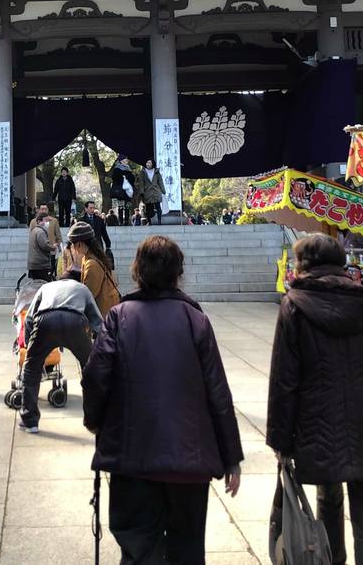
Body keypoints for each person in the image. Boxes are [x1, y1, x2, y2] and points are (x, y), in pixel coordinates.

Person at [83, 235, 243, 563]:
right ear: (177, 273)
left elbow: (96, 377)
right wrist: (231, 457)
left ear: (137, 271)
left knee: (140, 551)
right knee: (187, 550)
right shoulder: (195, 320)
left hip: (132, 457)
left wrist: (95, 421)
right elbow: (218, 393)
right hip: (189, 462)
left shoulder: (119, 317)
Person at [266, 233, 363, 565]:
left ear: (302, 264)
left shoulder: (294, 305)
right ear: (341, 264)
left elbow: (285, 379)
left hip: (318, 425)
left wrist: (281, 440)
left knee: (328, 502)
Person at [18, 261, 103, 434]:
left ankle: (30, 421)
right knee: (91, 369)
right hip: (75, 321)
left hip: (45, 321)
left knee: (31, 370)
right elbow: (98, 322)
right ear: (77, 279)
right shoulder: (82, 289)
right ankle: (97, 419)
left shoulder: (46, 287)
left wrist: (29, 346)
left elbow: (29, 318)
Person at [63, 221, 121, 316]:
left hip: (103, 315)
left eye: (72, 244)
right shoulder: (90, 257)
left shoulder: (92, 264)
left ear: (79, 244)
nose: (71, 247)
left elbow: (88, 295)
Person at [135, 158, 166, 225]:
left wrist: (163, 190)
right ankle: (149, 221)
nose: (148, 164)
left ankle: (159, 221)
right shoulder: (142, 172)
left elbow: (160, 182)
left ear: (152, 164)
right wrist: (142, 192)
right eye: (147, 163)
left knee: (158, 207)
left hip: (156, 191)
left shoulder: (156, 172)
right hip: (147, 192)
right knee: (148, 208)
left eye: (149, 163)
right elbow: (141, 182)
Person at [27, 212, 55, 282]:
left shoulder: (34, 231)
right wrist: (53, 247)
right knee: (45, 283)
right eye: (46, 221)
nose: (47, 223)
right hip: (40, 264)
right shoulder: (40, 232)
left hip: (34, 264)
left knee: (37, 284)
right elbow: (44, 245)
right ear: (39, 221)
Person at [109, 155, 136, 225]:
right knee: (120, 207)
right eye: (125, 160)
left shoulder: (129, 169)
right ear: (121, 161)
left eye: (127, 160)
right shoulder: (117, 169)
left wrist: (128, 176)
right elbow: (115, 178)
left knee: (128, 207)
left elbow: (132, 179)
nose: (127, 161)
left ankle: (127, 221)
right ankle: (121, 221)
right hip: (120, 192)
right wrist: (124, 176)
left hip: (128, 192)